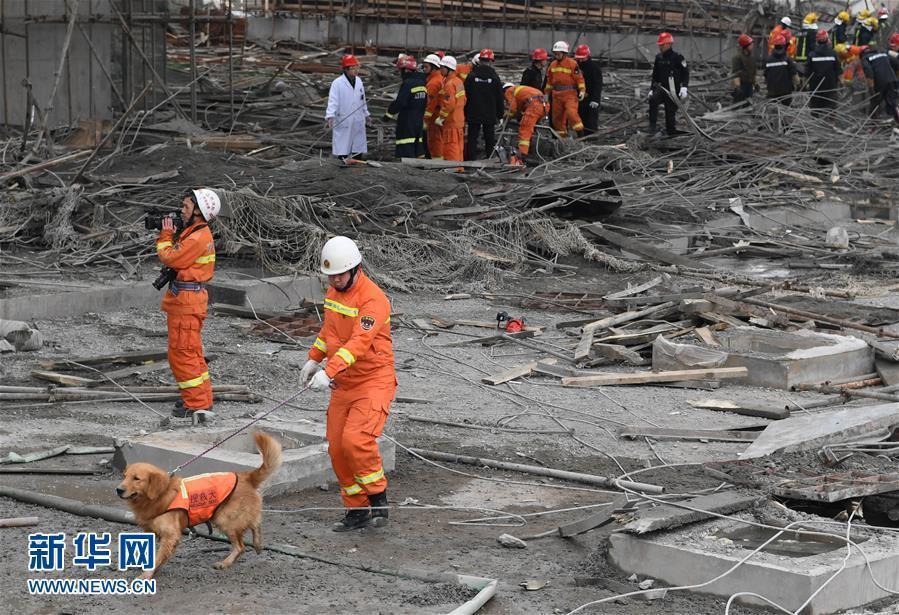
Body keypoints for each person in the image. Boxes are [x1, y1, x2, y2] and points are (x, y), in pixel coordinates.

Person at [299, 236, 397, 532]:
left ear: (355, 269)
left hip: (372, 381)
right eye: (330, 276)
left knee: (357, 440)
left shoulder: (373, 300)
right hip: (344, 381)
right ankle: (356, 510)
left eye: (340, 275)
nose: (335, 280)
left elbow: (358, 343)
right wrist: (314, 358)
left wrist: (329, 371)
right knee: (338, 447)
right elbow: (330, 331)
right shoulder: (334, 293)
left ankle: (378, 498)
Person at [156, 189, 220, 424]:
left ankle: (196, 405)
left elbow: (170, 258)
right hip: (188, 302)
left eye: (185, 207)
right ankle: (201, 399)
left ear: (198, 211)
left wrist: (164, 235)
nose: (181, 211)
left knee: (182, 354)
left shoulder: (197, 237)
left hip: (186, 303)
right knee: (191, 353)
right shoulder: (196, 233)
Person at [326, 55, 371, 161]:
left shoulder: (359, 81)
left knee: (358, 142)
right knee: (343, 144)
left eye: (357, 67)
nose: (356, 70)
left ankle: (357, 161)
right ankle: (343, 162)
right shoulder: (337, 83)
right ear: (346, 69)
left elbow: (362, 99)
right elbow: (333, 101)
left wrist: (366, 113)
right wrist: (330, 115)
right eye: (353, 68)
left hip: (358, 117)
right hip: (344, 117)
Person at [464, 48, 504, 160]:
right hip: (489, 113)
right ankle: (489, 159)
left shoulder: (471, 76)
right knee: (489, 138)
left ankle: (470, 160)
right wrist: (500, 115)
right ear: (491, 61)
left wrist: (464, 112)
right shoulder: (495, 77)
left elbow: (465, 95)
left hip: (473, 112)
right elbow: (499, 98)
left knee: (472, 137)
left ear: (480, 60)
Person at [385, 55, 426, 159]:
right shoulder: (422, 82)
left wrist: (388, 114)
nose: (401, 74)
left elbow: (400, 102)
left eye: (401, 71)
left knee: (406, 145)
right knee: (418, 147)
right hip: (419, 120)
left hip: (407, 121)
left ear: (406, 70)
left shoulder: (408, 84)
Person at [648, 32, 689, 135]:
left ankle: (670, 131)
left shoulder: (678, 57)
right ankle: (652, 127)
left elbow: (685, 73)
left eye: (662, 45)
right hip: (662, 89)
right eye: (659, 45)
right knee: (653, 100)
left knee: (669, 112)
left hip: (673, 90)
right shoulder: (659, 58)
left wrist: (684, 87)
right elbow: (655, 75)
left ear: (668, 44)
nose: (660, 47)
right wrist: (652, 89)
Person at [544, 40, 585, 137]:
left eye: (558, 53)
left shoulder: (572, 64)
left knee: (571, 113)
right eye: (555, 53)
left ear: (564, 53)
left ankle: (581, 135)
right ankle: (562, 140)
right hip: (556, 95)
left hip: (570, 94)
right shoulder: (552, 65)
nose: (556, 55)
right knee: (557, 119)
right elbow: (549, 81)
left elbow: (579, 79)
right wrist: (546, 93)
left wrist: (582, 91)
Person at [502, 82, 548, 163]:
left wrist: (505, 118)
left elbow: (512, 109)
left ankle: (522, 155)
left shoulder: (508, 91)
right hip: (544, 106)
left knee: (525, 130)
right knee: (531, 129)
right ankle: (532, 150)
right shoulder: (521, 91)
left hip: (534, 106)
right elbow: (518, 110)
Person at [435, 55, 466, 162]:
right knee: (458, 146)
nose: (440, 70)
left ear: (448, 69)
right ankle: (459, 167)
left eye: (442, 68)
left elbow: (449, 103)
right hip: (459, 119)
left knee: (450, 146)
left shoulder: (449, 84)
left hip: (451, 121)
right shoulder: (458, 81)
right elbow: (464, 100)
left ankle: (452, 168)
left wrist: (441, 117)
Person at [860, 44, 899, 125]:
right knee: (893, 103)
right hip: (892, 80)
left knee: (875, 103)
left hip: (880, 83)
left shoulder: (865, 58)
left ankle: (873, 127)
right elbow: (897, 64)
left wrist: (871, 89)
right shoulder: (883, 53)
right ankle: (896, 122)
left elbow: (869, 73)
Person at [806, 29, 841, 112]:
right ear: (827, 40)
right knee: (831, 110)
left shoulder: (811, 55)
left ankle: (816, 124)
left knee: (815, 110)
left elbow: (807, 72)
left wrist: (806, 84)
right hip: (830, 87)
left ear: (817, 41)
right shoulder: (833, 54)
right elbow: (838, 70)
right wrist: (841, 83)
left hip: (815, 88)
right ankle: (831, 124)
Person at [574, 44, 603, 134]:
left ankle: (590, 138)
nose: (581, 61)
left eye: (583, 58)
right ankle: (581, 137)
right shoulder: (576, 66)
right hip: (579, 98)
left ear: (588, 56)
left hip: (590, 99)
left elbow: (597, 85)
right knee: (579, 119)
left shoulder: (594, 68)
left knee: (590, 121)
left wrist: (595, 99)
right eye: (579, 58)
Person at [764, 35, 799, 105]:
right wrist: (798, 85)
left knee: (773, 113)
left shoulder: (768, 60)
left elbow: (765, 77)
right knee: (784, 112)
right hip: (785, 93)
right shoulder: (787, 59)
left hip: (772, 93)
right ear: (784, 45)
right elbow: (794, 76)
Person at [421, 54, 445, 159]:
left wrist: (425, 120)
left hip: (433, 116)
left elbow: (430, 104)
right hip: (438, 114)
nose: (424, 69)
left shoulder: (433, 83)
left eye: (426, 67)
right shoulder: (439, 78)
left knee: (434, 141)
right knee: (438, 139)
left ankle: (436, 162)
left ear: (433, 67)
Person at [731, 34, 757, 105]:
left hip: (749, 86)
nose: (752, 46)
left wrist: (755, 83)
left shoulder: (752, 58)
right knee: (737, 106)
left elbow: (753, 72)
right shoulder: (737, 58)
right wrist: (738, 87)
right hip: (741, 86)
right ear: (746, 46)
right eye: (751, 44)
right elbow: (736, 74)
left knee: (748, 106)